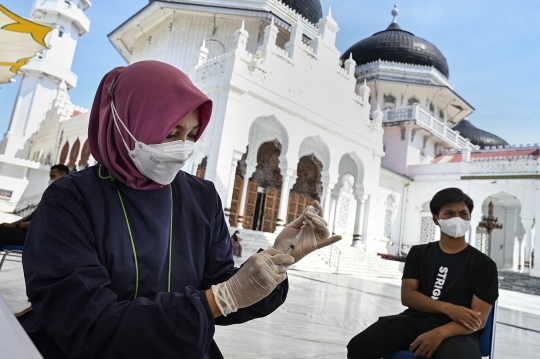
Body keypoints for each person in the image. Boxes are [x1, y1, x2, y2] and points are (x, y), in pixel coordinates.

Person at [21, 61, 341, 359]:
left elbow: (224, 285)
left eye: (190, 134)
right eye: (172, 132)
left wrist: (276, 260)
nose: (183, 146)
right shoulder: (70, 200)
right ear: (126, 120)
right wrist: (217, 300)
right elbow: (87, 322)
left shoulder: (200, 197)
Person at [347, 188, 498, 359]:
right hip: (414, 321)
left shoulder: (484, 265)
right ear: (436, 219)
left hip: (457, 330)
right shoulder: (420, 253)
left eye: (463, 213)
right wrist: (448, 308)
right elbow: (408, 295)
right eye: (449, 213)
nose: (458, 219)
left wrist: (438, 334)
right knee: (359, 347)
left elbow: (478, 320)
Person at [0, 164, 69, 246]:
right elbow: (30, 217)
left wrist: (15, 225)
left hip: (33, 236)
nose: (50, 180)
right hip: (24, 230)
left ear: (63, 177)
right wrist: (11, 224)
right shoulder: (51, 196)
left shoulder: (63, 200)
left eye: (53, 176)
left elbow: (40, 224)